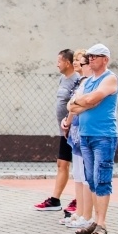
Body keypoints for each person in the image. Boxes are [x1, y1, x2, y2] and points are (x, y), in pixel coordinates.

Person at [67, 43, 118, 234]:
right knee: (91, 179)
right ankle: (95, 221)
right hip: (85, 135)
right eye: (89, 56)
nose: (90, 59)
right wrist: (85, 103)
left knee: (102, 179)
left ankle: (102, 224)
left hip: (104, 136)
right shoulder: (88, 81)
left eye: (95, 56)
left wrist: (84, 102)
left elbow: (90, 100)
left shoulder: (110, 78)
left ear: (105, 59)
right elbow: (71, 106)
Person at [34, 49, 78, 211]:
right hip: (64, 132)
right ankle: (55, 200)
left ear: (67, 62)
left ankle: (79, 200)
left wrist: (69, 122)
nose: (57, 64)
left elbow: (76, 105)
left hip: (74, 130)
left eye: (59, 61)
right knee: (61, 164)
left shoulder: (78, 80)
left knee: (79, 167)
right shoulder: (62, 79)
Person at [59, 50, 94, 229]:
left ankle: (86, 215)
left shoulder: (89, 82)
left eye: (80, 61)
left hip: (83, 131)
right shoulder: (80, 81)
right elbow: (71, 105)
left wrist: (70, 115)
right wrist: (68, 118)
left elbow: (76, 105)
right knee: (78, 174)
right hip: (75, 131)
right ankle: (80, 212)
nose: (77, 63)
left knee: (86, 175)